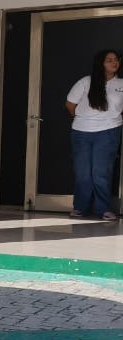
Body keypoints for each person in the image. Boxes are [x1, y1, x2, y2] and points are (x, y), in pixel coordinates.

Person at [65, 49, 123, 221]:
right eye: (109, 60)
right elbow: (70, 104)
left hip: (109, 131)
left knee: (101, 172)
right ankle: (80, 208)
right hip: (81, 132)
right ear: (100, 63)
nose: (114, 63)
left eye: (116, 60)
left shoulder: (121, 84)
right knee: (83, 172)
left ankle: (104, 209)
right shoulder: (86, 81)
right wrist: (82, 119)